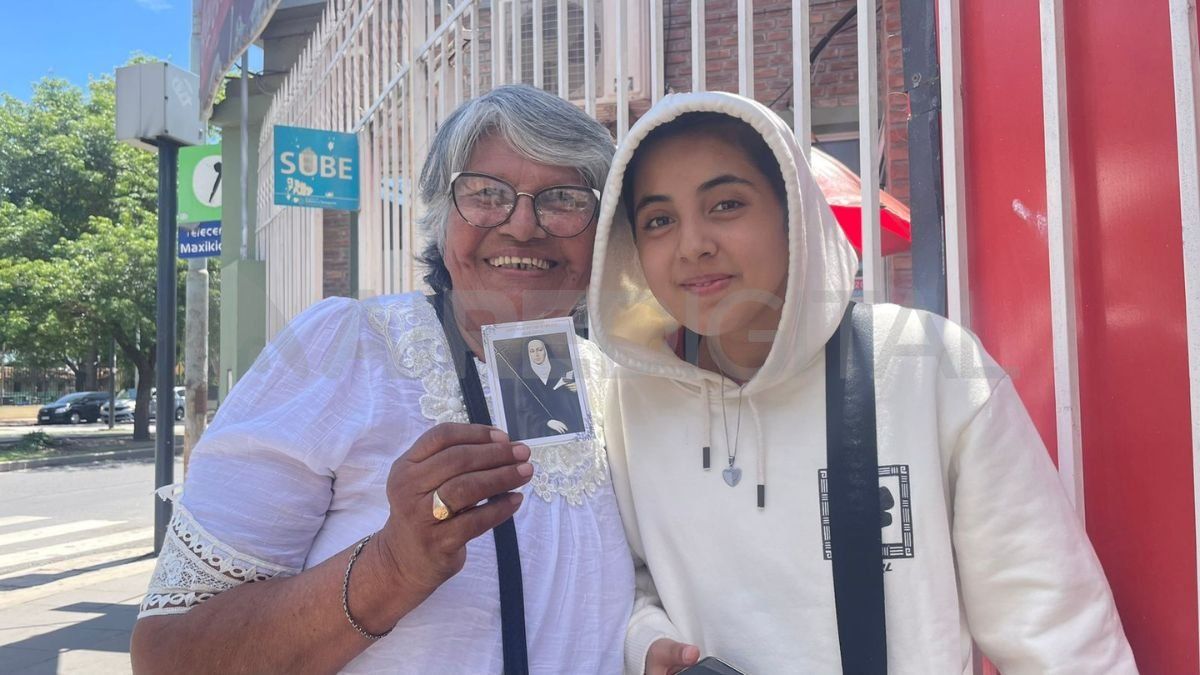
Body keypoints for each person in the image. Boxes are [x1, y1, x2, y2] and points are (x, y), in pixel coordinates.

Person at [587, 91, 1137, 673]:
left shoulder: (926, 366)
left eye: (725, 204)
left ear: (791, 210)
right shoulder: (627, 400)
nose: (692, 244)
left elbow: (1055, 628)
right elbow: (627, 578)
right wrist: (645, 638)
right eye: (659, 220)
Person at [130, 84, 633, 674]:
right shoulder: (344, 350)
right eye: (485, 194)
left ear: (601, 233)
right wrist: (391, 568)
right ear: (443, 223)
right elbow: (169, 654)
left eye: (564, 199)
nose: (522, 226)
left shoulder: (611, 387)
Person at [506, 337, 584, 441]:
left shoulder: (563, 369)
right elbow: (524, 411)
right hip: (540, 431)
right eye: (532, 351)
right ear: (528, 354)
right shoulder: (522, 378)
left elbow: (578, 405)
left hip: (568, 428)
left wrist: (577, 391)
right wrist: (547, 422)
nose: (536, 354)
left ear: (545, 350)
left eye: (539, 350)